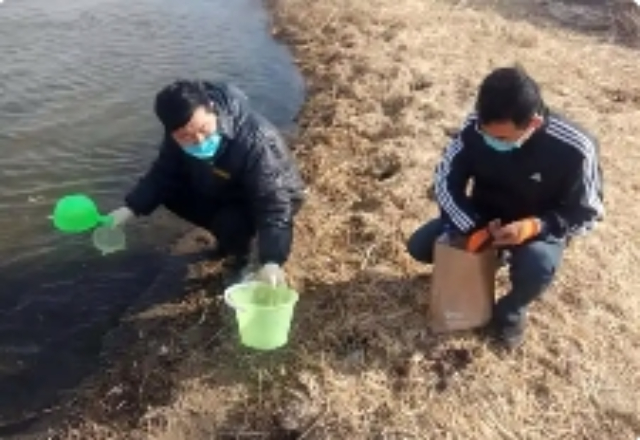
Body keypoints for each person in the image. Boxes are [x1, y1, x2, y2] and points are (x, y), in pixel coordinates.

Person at [407, 66, 604, 350]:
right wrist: (473, 226)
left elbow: (588, 213)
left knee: (536, 267)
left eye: (501, 138)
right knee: (421, 247)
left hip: (536, 226)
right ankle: (492, 255)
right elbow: (444, 183)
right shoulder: (474, 128)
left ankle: (511, 310)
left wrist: (535, 227)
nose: (491, 141)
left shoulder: (575, 148)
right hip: (483, 215)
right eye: (486, 134)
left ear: (533, 124)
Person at [108, 80, 306, 287]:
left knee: (231, 222)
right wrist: (130, 208)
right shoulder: (178, 133)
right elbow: (162, 173)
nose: (200, 141)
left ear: (212, 109)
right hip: (227, 184)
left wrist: (272, 260)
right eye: (186, 137)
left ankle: (242, 257)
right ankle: (230, 237)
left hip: (278, 195)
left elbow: (273, 202)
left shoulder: (255, 140)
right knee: (169, 192)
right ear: (172, 132)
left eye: (204, 129)